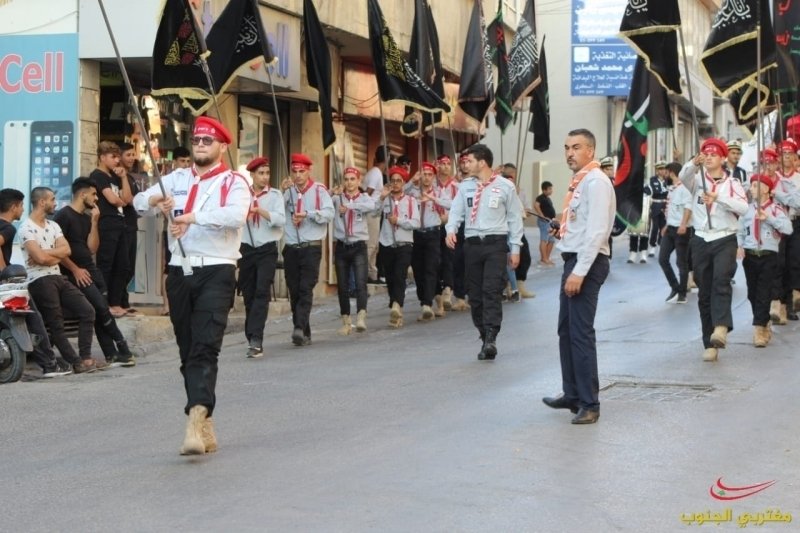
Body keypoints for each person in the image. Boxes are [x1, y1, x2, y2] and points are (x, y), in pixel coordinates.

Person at [134, 116, 250, 455]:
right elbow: (138, 202)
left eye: (207, 141)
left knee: (205, 345)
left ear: (222, 147)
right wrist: (156, 202)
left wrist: (192, 217)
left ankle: (194, 421)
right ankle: (205, 418)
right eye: (197, 140)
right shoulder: (176, 178)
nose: (200, 145)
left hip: (217, 269)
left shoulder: (233, 182)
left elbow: (236, 216)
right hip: (179, 271)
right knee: (187, 350)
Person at [541, 129, 614, 425]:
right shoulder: (581, 182)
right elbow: (582, 225)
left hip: (588, 262)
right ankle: (572, 394)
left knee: (581, 333)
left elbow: (597, 232)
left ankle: (589, 403)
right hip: (574, 258)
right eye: (566, 147)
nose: (569, 153)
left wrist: (580, 272)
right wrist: (562, 229)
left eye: (576, 147)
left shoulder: (596, 182)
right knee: (566, 331)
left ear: (590, 151)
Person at [445, 144, 523, 360]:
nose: (465, 164)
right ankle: (483, 333)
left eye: (469, 161)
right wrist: (451, 230)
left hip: (495, 244)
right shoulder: (465, 187)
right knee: (475, 295)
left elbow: (515, 218)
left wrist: (515, 248)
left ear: (482, 162)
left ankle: (491, 337)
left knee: (491, 291)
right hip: (472, 245)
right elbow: (456, 211)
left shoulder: (505, 186)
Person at [679, 138, 748, 362]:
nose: (708, 157)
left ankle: (721, 327)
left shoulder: (733, 183)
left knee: (721, 280)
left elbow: (743, 207)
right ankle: (709, 343)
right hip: (701, 238)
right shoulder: (697, 180)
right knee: (705, 291)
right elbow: (683, 177)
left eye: (713, 155)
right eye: (705, 154)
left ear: (723, 158)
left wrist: (719, 198)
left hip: (724, 237)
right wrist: (693, 163)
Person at [54, 178, 135, 367]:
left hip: (92, 270)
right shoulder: (63, 216)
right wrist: (75, 270)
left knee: (100, 312)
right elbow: (57, 250)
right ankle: (123, 348)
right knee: (102, 309)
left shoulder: (86, 217)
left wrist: (95, 221)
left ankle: (111, 355)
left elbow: (92, 248)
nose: (96, 198)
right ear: (82, 194)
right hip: (77, 274)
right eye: (93, 194)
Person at [19, 187, 99, 374]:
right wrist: (50, 255)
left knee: (88, 311)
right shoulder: (25, 228)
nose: (56, 203)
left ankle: (85, 357)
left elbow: (66, 251)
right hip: (40, 280)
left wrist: (44, 253)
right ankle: (76, 362)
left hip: (58, 277)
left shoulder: (54, 225)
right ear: (42, 202)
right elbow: (41, 259)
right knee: (56, 324)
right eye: (52, 199)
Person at [0, 189, 72, 378]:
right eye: (21, 206)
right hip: (8, 283)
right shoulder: (8, 227)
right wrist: (3, 272)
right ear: (14, 207)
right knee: (33, 318)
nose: (23, 209)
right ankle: (50, 365)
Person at [280, 153, 334, 346]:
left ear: (308, 171)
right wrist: (281, 192)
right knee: (294, 290)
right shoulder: (288, 192)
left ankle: (298, 327)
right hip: (291, 247)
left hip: (311, 247)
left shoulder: (319, 190)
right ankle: (304, 330)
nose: (298, 175)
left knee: (305, 288)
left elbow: (329, 213)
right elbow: (278, 213)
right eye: (294, 171)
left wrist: (308, 214)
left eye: (301, 171)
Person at [737, 174, 793, 347]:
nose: (751, 189)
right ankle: (764, 320)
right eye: (752, 185)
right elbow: (740, 230)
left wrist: (768, 218)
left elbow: (788, 229)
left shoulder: (775, 209)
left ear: (766, 189)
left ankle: (759, 330)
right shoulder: (747, 209)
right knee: (752, 294)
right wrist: (739, 245)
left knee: (763, 293)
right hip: (750, 255)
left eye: (755, 185)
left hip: (768, 256)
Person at [239, 156, 285, 358]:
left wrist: (261, 211)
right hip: (246, 249)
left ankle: (256, 338)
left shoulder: (275, 195)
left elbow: (281, 219)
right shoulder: (241, 195)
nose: (265, 177)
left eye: (267, 173)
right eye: (261, 173)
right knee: (249, 294)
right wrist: (245, 213)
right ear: (252, 175)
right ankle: (251, 334)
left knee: (261, 292)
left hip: (267, 249)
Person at [89, 141, 132, 318]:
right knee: (106, 264)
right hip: (106, 223)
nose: (117, 160)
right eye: (113, 157)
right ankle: (103, 303)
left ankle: (115, 302)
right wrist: (120, 201)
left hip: (120, 222)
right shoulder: (97, 175)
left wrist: (124, 177)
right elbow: (113, 199)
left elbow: (127, 199)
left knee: (123, 264)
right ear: (102, 157)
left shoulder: (115, 176)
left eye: (117, 157)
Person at [331, 167, 375, 334]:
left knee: (360, 282)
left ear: (358, 181)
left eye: (352, 179)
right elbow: (323, 202)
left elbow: (371, 206)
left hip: (358, 246)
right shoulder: (338, 198)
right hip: (342, 245)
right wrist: (332, 192)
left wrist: (350, 206)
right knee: (342, 286)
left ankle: (361, 316)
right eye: (346, 179)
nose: (349, 182)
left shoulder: (364, 198)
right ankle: (346, 321)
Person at [377, 166, 420, 328]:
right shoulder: (385, 199)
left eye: (398, 181)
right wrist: (381, 198)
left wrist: (399, 221)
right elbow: (373, 213)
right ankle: (395, 306)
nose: (395, 184)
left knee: (399, 275)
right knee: (390, 277)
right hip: (387, 243)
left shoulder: (411, 201)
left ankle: (397, 305)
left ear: (403, 183)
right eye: (392, 180)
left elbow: (416, 223)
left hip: (404, 244)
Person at [410, 162, 447, 321]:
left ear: (434, 177)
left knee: (431, 268)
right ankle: (429, 300)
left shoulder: (438, 192)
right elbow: (397, 192)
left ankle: (426, 304)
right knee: (418, 270)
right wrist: (412, 180)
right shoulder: (413, 192)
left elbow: (450, 205)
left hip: (433, 234)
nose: (426, 177)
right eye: (424, 174)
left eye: (429, 174)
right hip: (416, 234)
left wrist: (434, 199)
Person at [160, 147, 192, 316]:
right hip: (172, 230)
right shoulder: (168, 181)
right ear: (174, 162)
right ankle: (167, 305)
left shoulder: (193, 180)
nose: (185, 165)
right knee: (169, 267)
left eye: (188, 161)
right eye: (182, 161)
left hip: (190, 232)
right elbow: (159, 203)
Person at [658, 162, 693, 304]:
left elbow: (688, 208)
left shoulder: (684, 188)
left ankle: (682, 294)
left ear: (672, 173)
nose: (665, 175)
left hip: (681, 229)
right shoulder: (672, 189)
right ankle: (675, 287)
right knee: (662, 259)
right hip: (671, 228)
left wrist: (683, 224)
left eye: (666, 172)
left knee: (681, 262)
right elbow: (672, 209)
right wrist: (666, 225)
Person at [502, 163, 534, 298]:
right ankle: (507, 287)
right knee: (506, 259)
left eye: (513, 174)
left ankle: (520, 285)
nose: (511, 176)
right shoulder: (500, 189)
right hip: (503, 230)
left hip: (518, 229)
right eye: (508, 174)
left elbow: (528, 210)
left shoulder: (520, 191)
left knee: (525, 257)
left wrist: (524, 212)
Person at [118, 142, 143, 314]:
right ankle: (118, 302)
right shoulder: (118, 177)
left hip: (132, 226)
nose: (132, 158)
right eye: (128, 155)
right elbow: (127, 199)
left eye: (133, 154)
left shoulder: (131, 178)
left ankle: (124, 301)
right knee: (123, 266)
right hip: (123, 227)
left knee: (130, 267)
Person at [435, 153, 459, 311]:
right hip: (435, 225)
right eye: (442, 163)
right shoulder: (432, 184)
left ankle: (448, 289)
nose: (445, 166)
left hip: (450, 226)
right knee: (437, 260)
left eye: (448, 164)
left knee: (449, 258)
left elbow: (458, 207)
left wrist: (448, 217)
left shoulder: (455, 186)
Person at [363, 147, 388, 284]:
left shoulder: (376, 172)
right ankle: (364, 274)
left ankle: (372, 275)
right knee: (371, 245)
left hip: (375, 214)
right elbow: (368, 192)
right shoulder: (376, 173)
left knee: (374, 246)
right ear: (387, 158)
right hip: (371, 213)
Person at [450, 153, 471, 311]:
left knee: (473, 262)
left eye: (468, 162)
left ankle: (473, 294)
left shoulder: (478, 182)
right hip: (458, 225)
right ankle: (459, 296)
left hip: (474, 226)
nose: (465, 165)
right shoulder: (454, 184)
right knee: (458, 261)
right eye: (462, 162)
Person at [643, 160, 669, 256]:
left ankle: (661, 244)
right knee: (655, 227)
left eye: (663, 169)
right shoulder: (652, 180)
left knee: (663, 227)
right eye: (660, 169)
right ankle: (652, 246)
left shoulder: (668, 180)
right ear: (657, 170)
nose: (662, 171)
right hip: (656, 206)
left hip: (666, 206)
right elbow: (650, 191)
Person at [533, 181, 556, 265]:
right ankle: (544, 258)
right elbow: (536, 205)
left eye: (551, 189)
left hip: (550, 222)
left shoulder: (548, 198)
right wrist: (542, 216)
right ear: (544, 190)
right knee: (544, 239)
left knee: (551, 240)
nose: (551, 190)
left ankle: (547, 258)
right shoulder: (540, 197)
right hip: (544, 222)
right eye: (549, 189)